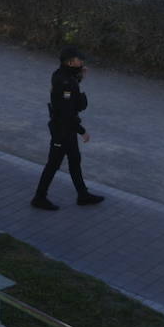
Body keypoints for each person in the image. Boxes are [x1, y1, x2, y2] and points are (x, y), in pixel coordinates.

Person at [31, 47, 105, 211]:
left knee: (74, 161)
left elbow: (70, 92)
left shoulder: (62, 75)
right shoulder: (64, 81)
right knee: (53, 164)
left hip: (67, 130)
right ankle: (39, 198)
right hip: (62, 130)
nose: (82, 62)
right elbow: (67, 112)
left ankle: (83, 195)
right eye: (79, 60)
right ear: (70, 62)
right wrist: (81, 130)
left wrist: (79, 77)